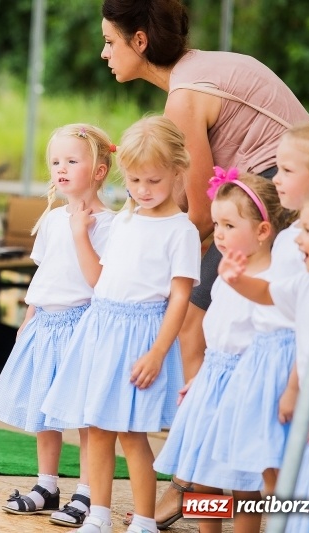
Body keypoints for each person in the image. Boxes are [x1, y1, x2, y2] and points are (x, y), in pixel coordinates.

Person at [99, 0, 309, 387]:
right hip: (273, 196)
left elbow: (199, 216)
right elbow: (184, 202)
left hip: (277, 195)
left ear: (140, 41)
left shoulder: (185, 95)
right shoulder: (199, 68)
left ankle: (194, 435)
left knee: (190, 323)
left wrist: (142, 261)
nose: (105, 53)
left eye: (111, 42)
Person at [42, 116, 200, 533]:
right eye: (134, 180)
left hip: (139, 337)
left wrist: (157, 352)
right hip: (101, 329)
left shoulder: (179, 230)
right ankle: (98, 514)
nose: (143, 190)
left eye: (153, 181)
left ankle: (145, 521)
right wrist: (80, 236)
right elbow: (100, 280)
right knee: (95, 429)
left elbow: (179, 297)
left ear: (177, 173)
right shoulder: (125, 220)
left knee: (131, 434)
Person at [0, 124, 116, 525]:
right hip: (47, 322)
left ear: (99, 170)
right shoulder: (53, 219)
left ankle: (87, 492)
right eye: (55, 162)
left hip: (82, 324)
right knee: (46, 408)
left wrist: (82, 233)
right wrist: (29, 317)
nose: (61, 169)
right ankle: (47, 484)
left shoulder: (109, 224)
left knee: (83, 416)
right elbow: (43, 275)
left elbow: (99, 281)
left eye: (72, 161)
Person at [210, 119, 309, 497]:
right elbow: (276, 295)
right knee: (264, 466)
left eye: (287, 170)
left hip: (298, 371)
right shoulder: (292, 238)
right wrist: (238, 281)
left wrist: (291, 386)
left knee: (292, 472)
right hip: (269, 362)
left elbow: (302, 323)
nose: (276, 179)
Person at [153, 172, 287, 533]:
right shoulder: (225, 273)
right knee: (203, 477)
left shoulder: (273, 281)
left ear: (262, 231)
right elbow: (218, 336)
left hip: (245, 390)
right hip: (212, 383)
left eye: (229, 224)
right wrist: (198, 378)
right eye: (216, 224)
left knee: (243, 484)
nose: (220, 234)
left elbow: (269, 347)